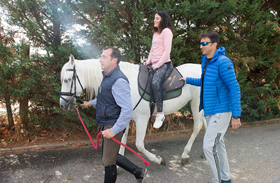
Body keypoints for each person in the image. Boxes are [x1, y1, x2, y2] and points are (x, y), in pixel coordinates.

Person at [180, 31, 241, 183]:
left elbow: (234, 87)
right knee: (218, 146)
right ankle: (225, 179)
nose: (202, 46)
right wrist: (188, 79)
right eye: (201, 43)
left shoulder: (223, 62)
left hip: (221, 111)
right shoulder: (207, 62)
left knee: (208, 146)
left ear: (214, 44)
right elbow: (205, 82)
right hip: (211, 111)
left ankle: (218, 180)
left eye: (205, 43)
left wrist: (236, 115)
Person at [81, 47, 147, 183]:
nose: (100, 60)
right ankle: (138, 172)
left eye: (104, 57)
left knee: (108, 161)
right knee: (111, 155)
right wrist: (90, 103)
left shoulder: (119, 81)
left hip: (113, 124)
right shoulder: (108, 77)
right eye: (101, 56)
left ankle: (138, 172)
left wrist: (113, 130)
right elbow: (105, 97)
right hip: (106, 123)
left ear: (114, 60)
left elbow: (127, 110)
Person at [143, 10, 174, 129]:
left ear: (163, 20)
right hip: (155, 64)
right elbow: (152, 49)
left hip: (165, 65)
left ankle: (160, 113)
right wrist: (148, 61)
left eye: (157, 18)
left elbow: (167, 51)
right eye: (154, 18)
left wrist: (157, 65)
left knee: (155, 83)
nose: (154, 20)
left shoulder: (167, 32)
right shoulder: (156, 33)